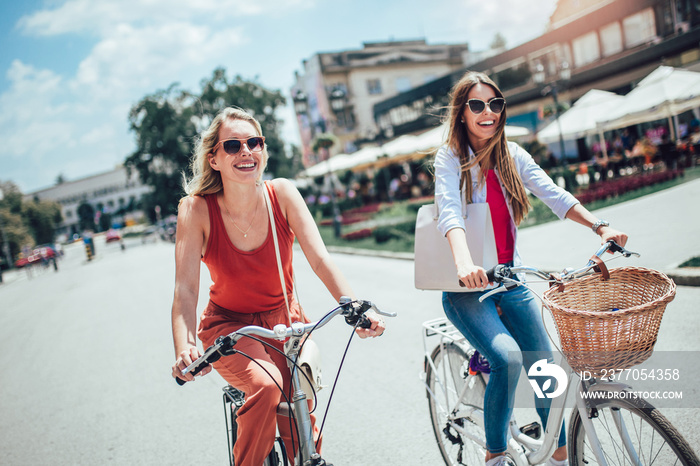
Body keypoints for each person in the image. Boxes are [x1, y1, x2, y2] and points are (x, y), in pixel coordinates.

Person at [170, 107, 386, 466]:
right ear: (215, 158)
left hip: (286, 324)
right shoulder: (196, 211)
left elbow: (320, 259)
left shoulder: (282, 194)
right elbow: (185, 291)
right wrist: (185, 347)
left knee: (302, 432)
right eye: (233, 145)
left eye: (254, 142)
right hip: (230, 328)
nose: (246, 151)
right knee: (266, 387)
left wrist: (355, 307)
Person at [433, 71, 628, 466]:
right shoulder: (450, 158)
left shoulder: (511, 155)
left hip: (510, 278)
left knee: (544, 368)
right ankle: (496, 455)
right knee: (507, 359)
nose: (487, 112)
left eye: (495, 104)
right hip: (467, 288)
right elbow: (449, 211)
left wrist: (598, 225)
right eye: (477, 105)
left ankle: (559, 454)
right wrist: (464, 261)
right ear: (462, 113)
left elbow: (553, 194)